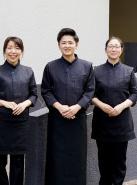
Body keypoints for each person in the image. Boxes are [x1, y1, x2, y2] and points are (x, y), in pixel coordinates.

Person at [41, 28, 95, 185]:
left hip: (77, 120)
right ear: (58, 45)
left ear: (76, 45)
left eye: (70, 42)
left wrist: (76, 107)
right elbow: (46, 91)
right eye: (63, 43)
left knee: (77, 158)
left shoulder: (87, 66)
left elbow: (90, 91)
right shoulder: (50, 67)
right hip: (57, 121)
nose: (67, 46)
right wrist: (60, 108)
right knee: (56, 158)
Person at [0, 36, 38, 185]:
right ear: (4, 50)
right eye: (9, 48)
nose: (13, 51)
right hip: (0, 124)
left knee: (18, 162)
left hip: (20, 124)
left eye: (17, 48)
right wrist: (4, 103)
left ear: (21, 51)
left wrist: (25, 104)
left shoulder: (28, 72)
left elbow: (34, 95)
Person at [91, 36, 137, 185]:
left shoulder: (128, 71)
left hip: (121, 123)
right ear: (106, 50)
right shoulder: (96, 71)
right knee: (104, 163)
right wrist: (101, 105)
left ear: (121, 50)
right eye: (110, 46)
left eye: (116, 46)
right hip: (102, 123)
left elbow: (135, 93)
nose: (113, 49)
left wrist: (121, 106)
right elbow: (89, 93)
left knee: (119, 163)